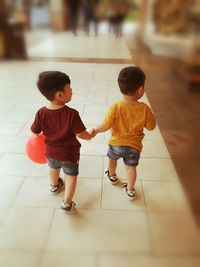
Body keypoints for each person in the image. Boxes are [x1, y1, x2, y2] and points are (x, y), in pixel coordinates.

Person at [31, 71, 93, 211]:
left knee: (53, 168)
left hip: (50, 152)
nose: (72, 90)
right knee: (71, 175)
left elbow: (34, 131)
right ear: (60, 94)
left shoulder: (41, 112)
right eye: (69, 88)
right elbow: (81, 134)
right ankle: (66, 202)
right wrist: (89, 136)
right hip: (69, 154)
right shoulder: (72, 114)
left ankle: (54, 186)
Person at [91, 66, 156, 200]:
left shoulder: (116, 107)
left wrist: (95, 130)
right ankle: (130, 190)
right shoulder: (144, 109)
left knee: (112, 159)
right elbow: (151, 127)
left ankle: (112, 176)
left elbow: (106, 124)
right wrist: (149, 116)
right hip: (134, 147)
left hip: (116, 145)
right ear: (140, 89)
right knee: (130, 168)